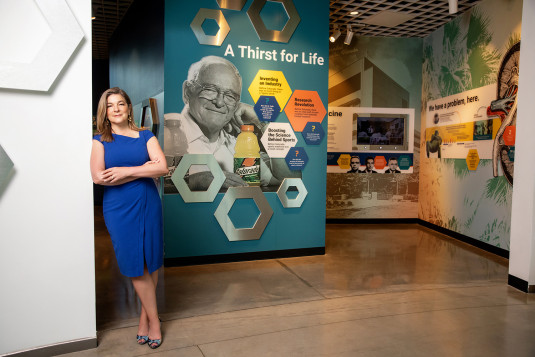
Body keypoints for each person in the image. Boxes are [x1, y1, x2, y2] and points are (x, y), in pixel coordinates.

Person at [90, 87, 168, 349]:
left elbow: (163, 167)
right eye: (110, 105)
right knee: (135, 263)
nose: (116, 108)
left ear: (128, 107)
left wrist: (126, 172)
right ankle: (154, 320)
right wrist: (142, 170)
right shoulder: (99, 140)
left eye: (121, 103)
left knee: (150, 260)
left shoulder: (145, 135)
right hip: (118, 208)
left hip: (147, 203)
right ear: (105, 112)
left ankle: (145, 321)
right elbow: (98, 176)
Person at [164, 55, 296, 192]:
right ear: (187, 91)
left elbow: (289, 179)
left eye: (230, 96)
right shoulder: (165, 132)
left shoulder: (237, 145)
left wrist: (261, 123)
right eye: (210, 89)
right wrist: (194, 179)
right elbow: (148, 180)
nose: (219, 102)